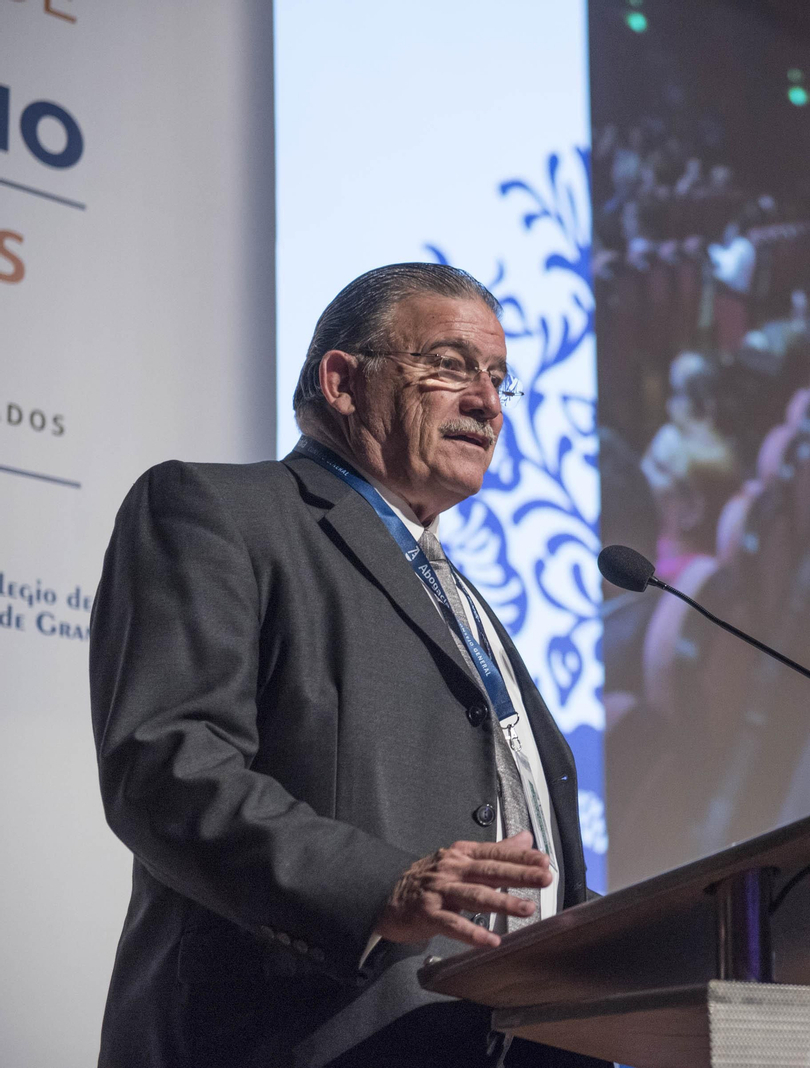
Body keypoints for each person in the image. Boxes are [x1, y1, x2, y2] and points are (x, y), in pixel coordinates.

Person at [89, 264, 600, 1067]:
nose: (488, 403)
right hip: (298, 1039)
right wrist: (380, 887)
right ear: (342, 381)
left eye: (500, 379)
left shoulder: (456, 594)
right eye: (450, 365)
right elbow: (165, 767)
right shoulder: (215, 512)